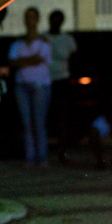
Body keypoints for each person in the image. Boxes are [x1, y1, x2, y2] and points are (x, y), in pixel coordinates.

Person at [8, 7, 52, 167]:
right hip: (22, 85)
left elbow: (39, 59)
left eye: (32, 17)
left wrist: (23, 61)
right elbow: (13, 62)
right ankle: (30, 157)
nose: (29, 20)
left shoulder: (43, 41)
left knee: (38, 122)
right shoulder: (19, 42)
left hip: (40, 85)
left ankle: (41, 157)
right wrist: (30, 59)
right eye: (27, 17)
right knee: (26, 122)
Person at [44, 10, 77, 163]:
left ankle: (62, 151)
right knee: (45, 116)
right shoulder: (44, 38)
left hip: (62, 80)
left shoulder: (67, 39)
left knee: (62, 116)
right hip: (46, 80)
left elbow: (73, 58)